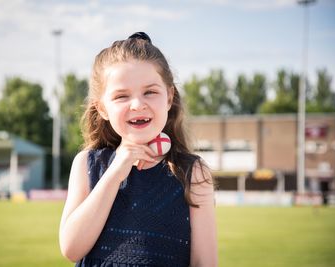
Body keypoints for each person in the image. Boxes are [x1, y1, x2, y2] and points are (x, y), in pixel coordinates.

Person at [59, 32, 217, 267]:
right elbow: (71, 249)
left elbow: (204, 262)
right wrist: (115, 173)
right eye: (121, 96)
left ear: (169, 96)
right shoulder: (87, 164)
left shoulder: (193, 173)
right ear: (102, 108)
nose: (137, 104)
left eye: (150, 92)